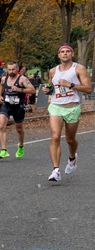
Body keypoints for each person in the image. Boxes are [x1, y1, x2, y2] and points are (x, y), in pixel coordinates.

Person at [44, 44, 91, 182]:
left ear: (72, 54)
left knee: (70, 139)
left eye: (67, 51)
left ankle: (72, 158)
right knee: (55, 136)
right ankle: (56, 170)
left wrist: (70, 84)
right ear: (58, 55)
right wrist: (48, 90)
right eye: (62, 52)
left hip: (72, 107)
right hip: (56, 106)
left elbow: (88, 89)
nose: (65, 54)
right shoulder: (53, 71)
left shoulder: (79, 68)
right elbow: (51, 86)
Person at [0, 60, 35, 160]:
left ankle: (21, 146)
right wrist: (0, 95)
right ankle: (4, 150)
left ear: (17, 69)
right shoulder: (4, 79)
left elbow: (32, 90)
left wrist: (20, 90)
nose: (11, 71)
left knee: (19, 129)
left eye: (13, 69)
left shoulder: (22, 79)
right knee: (1, 126)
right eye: (9, 70)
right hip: (6, 105)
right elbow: (1, 85)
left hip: (18, 107)